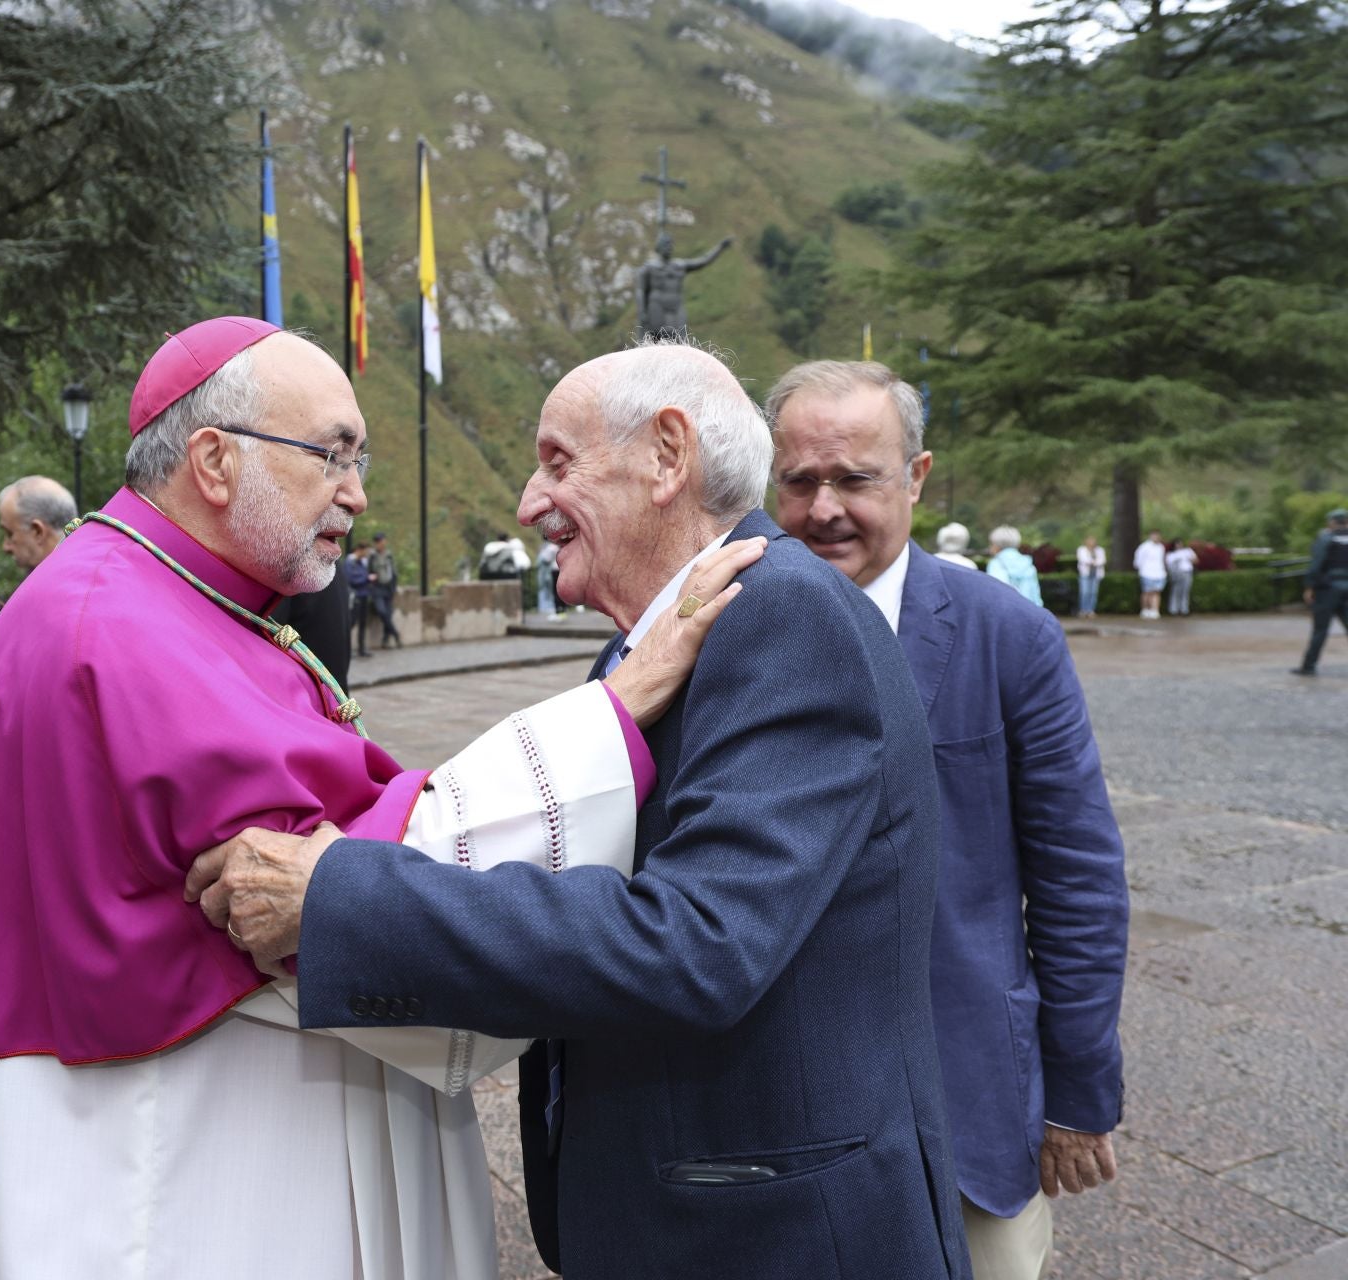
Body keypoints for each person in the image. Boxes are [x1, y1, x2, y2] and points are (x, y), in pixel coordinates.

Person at [0, 316, 753, 1279]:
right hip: (186, 1154)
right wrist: (615, 708)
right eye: (332, 455)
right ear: (216, 460)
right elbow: (355, 875)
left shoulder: (166, 591)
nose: (356, 491)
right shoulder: (115, 625)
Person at [195, 339, 973, 1279]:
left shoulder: (781, 618)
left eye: (559, 462)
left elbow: (698, 943)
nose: (528, 503)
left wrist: (341, 895)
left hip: (775, 1232)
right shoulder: (661, 639)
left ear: (668, 456)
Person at [767, 359, 1127, 1280]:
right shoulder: (721, 627)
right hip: (773, 1102)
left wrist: (1078, 1094)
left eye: (857, 478)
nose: (824, 509)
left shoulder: (1007, 638)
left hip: (962, 1091)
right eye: (800, 481)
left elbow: (1077, 879)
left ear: (917, 478)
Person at [1294, 507, 1348, 676]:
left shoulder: (1326, 538)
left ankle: (1308, 666)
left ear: (1331, 522)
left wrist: (1309, 586)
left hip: (1328, 590)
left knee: (1320, 630)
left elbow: (1316, 565)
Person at [0, 474, 77, 576]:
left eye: (10, 534)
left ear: (38, 531)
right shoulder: (90, 572)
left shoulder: (49, 587)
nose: (5, 547)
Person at [985, 526, 1043, 605]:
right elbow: (1036, 597)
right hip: (1029, 612)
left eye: (991, 544)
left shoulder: (996, 564)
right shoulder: (1028, 564)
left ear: (996, 545)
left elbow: (996, 593)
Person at [369, 531, 403, 647]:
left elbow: (394, 572)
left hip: (388, 588)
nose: (379, 544)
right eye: (377, 542)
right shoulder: (372, 556)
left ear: (385, 541)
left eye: (381, 541)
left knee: (388, 614)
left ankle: (385, 640)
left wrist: (393, 587)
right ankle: (396, 634)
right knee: (381, 611)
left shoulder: (389, 555)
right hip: (377, 588)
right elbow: (369, 571)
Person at [345, 542, 374, 657]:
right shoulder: (349, 562)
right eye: (365, 551)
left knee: (362, 623)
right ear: (360, 550)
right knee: (351, 622)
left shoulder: (362, 562)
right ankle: (347, 649)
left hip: (364, 595)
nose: (366, 554)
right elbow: (351, 579)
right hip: (355, 597)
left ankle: (361, 649)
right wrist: (366, 578)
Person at [1133, 529, 1167, 619]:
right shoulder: (1144, 547)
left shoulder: (1161, 547)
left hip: (1159, 573)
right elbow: (1138, 560)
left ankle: (1155, 610)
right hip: (1147, 572)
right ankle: (1145, 609)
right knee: (1147, 592)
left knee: (1156, 592)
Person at [1165, 539, 1199, 616]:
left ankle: (1184, 609)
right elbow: (1168, 564)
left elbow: (1196, 560)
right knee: (1175, 591)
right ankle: (1173, 609)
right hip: (1176, 574)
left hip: (1186, 573)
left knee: (1185, 591)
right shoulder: (1171, 554)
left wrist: (1190, 559)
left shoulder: (1187, 551)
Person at [1076, 534, 1106, 617]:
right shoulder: (1082, 550)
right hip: (1085, 574)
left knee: (1093, 593)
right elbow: (1083, 560)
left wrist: (1093, 563)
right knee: (1085, 592)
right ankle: (1083, 610)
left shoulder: (1100, 550)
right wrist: (1094, 562)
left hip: (1096, 574)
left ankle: (1091, 610)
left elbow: (1102, 561)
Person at [536, 534, 561, 614]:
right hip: (549, 571)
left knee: (549, 590)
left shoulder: (548, 548)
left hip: (548, 572)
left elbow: (545, 559)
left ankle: (547, 607)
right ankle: (548, 607)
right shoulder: (552, 547)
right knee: (550, 590)